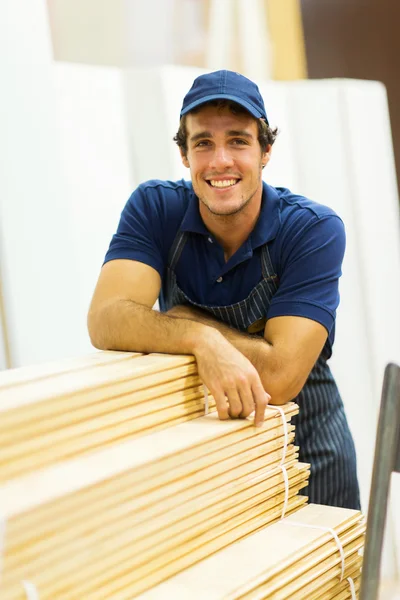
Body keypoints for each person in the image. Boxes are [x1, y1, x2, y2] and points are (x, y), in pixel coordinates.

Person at [88, 69, 360, 510]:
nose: (220, 161)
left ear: (266, 150)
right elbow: (105, 320)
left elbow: (280, 377)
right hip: (209, 458)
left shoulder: (312, 230)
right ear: (184, 154)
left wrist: (184, 318)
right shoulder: (155, 209)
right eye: (203, 143)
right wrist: (200, 339)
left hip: (306, 452)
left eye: (238, 141)